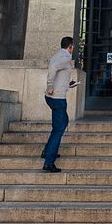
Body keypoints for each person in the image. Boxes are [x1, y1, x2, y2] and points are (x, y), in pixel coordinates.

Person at [42, 36, 76, 173]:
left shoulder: (57, 55)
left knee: (60, 124)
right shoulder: (66, 57)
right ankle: (49, 161)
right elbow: (53, 68)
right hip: (57, 98)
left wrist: (68, 85)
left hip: (53, 97)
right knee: (59, 128)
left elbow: (58, 73)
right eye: (73, 46)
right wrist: (49, 85)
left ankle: (47, 150)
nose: (73, 48)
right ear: (70, 46)